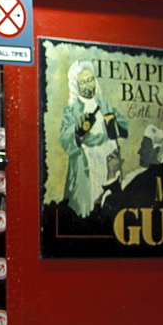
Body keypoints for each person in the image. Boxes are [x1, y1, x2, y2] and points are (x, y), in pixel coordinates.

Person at [58, 60, 130, 218]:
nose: (87, 85)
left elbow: (125, 128)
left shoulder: (104, 106)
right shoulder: (72, 111)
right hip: (87, 165)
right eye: (83, 82)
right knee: (88, 209)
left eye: (90, 80)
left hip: (108, 162)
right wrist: (79, 130)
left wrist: (113, 126)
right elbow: (65, 140)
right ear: (76, 86)